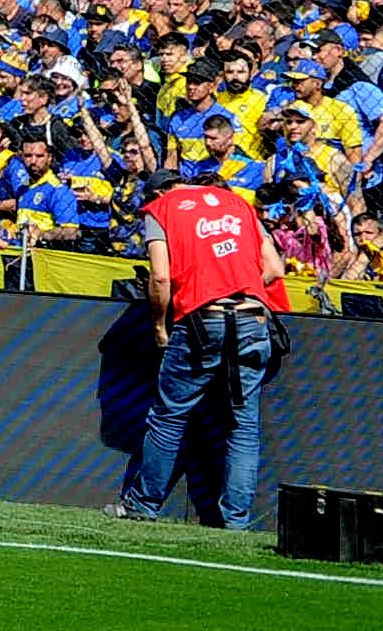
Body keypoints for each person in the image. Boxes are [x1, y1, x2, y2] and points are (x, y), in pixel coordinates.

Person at [117, 167, 286, 526]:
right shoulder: (237, 202)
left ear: (155, 194)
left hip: (201, 320)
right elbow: (274, 268)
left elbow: (160, 276)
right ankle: (236, 522)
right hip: (253, 318)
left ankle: (142, 506)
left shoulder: (160, 210)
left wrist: (161, 327)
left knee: (168, 417)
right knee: (242, 426)